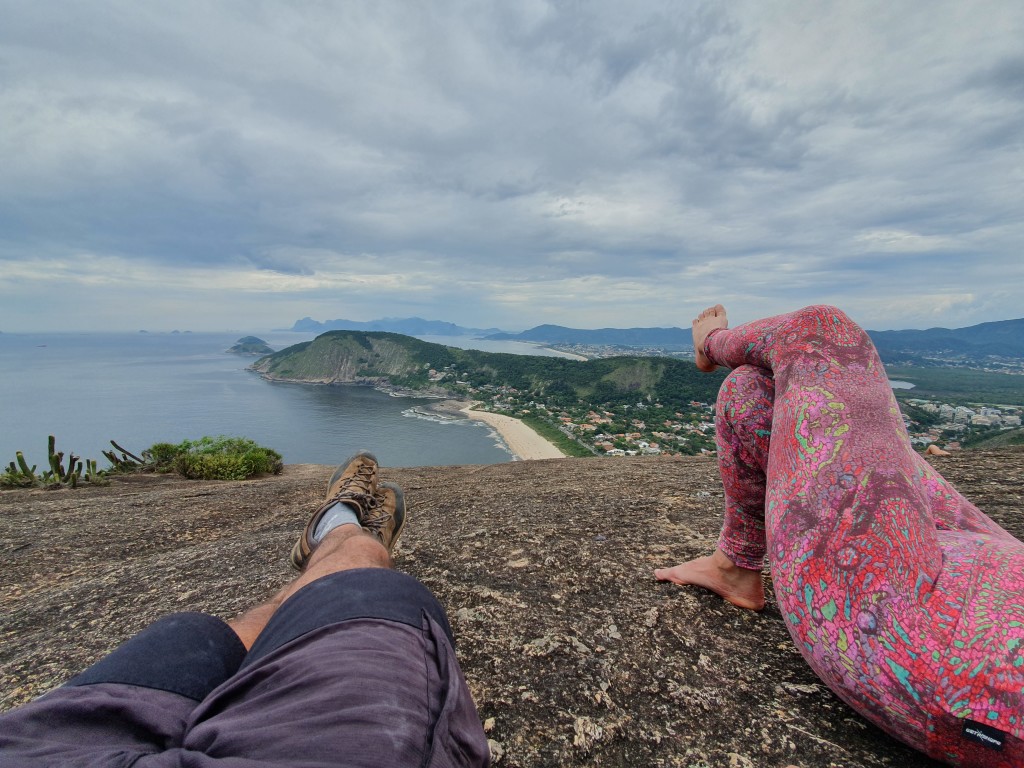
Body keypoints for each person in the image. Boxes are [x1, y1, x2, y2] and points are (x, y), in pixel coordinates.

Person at [655, 304, 1024, 767]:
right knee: (751, 393)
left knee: (820, 331)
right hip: (992, 573)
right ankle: (735, 562)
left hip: (948, 648)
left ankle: (710, 345)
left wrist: (715, 342)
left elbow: (812, 332)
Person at [0, 452, 491, 767]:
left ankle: (334, 530)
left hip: (44, 746)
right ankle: (349, 535)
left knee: (197, 638)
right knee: (369, 578)